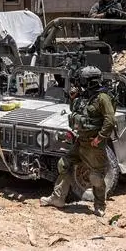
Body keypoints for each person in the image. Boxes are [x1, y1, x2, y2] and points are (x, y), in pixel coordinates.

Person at [40, 66, 114, 216]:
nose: (80, 84)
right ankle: (58, 197)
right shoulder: (86, 96)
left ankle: (100, 205)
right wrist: (74, 98)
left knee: (96, 176)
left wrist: (100, 137)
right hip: (81, 141)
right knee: (64, 164)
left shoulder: (102, 98)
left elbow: (110, 120)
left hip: (94, 144)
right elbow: (76, 111)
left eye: (83, 81)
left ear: (90, 81)